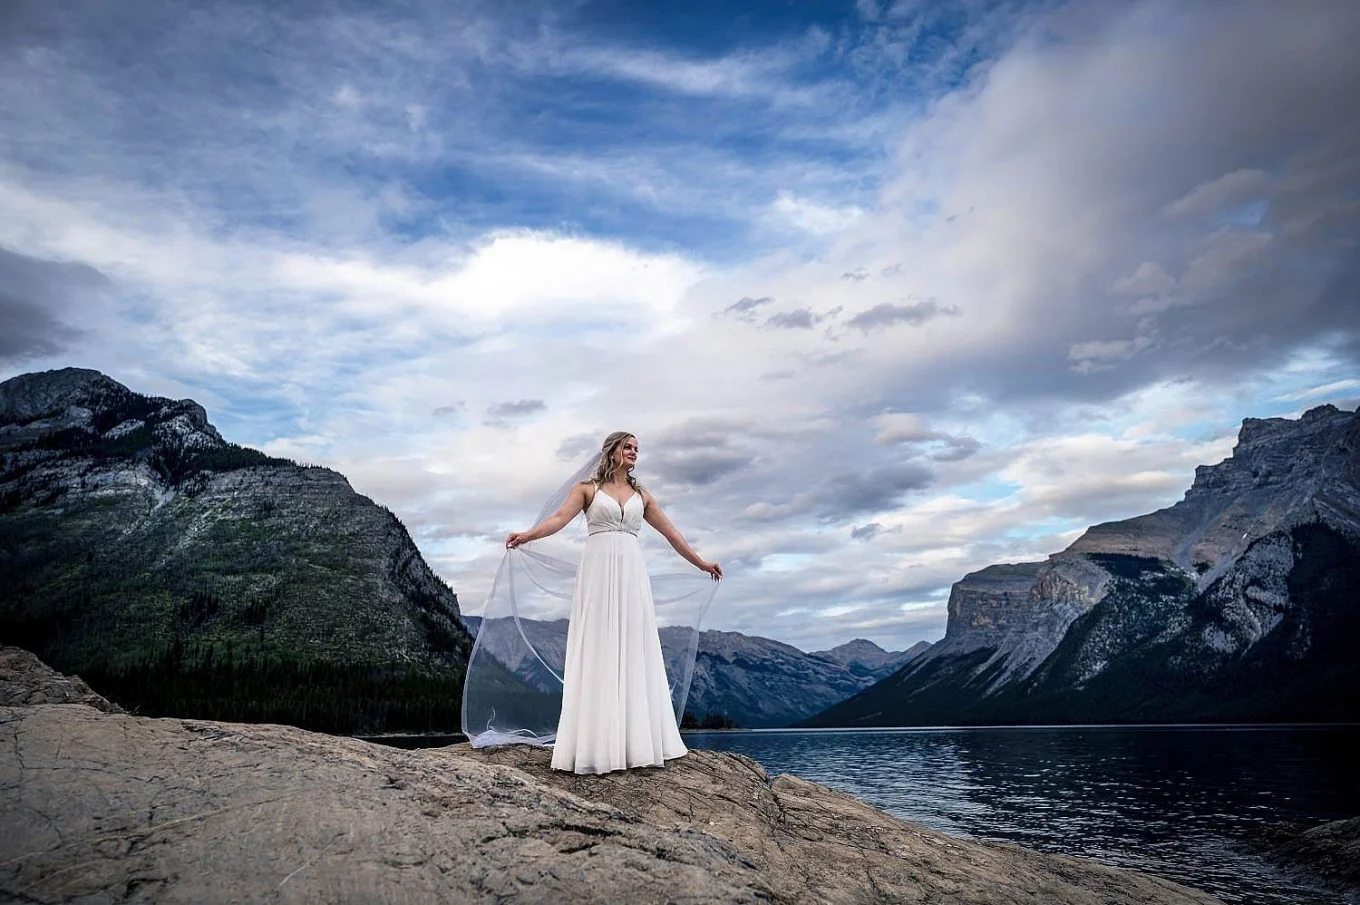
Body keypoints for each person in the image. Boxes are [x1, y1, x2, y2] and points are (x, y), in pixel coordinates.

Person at [504, 431, 721, 774]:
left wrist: (701, 563)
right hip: (599, 571)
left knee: (635, 645)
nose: (634, 452)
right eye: (628, 446)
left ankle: (637, 742)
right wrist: (528, 535)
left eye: (637, 448)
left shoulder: (642, 495)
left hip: (632, 572)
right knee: (600, 645)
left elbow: (671, 534)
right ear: (612, 451)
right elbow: (560, 519)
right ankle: (594, 744)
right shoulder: (586, 489)